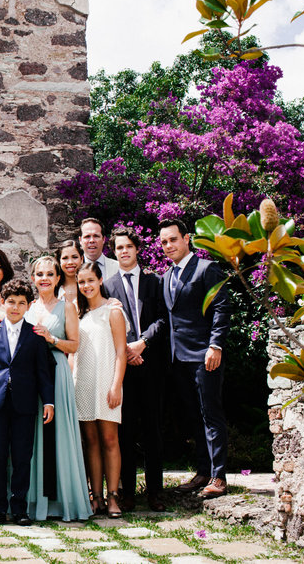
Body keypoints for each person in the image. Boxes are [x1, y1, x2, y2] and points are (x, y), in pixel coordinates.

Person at [159, 219, 231, 499]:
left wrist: (215, 345)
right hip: (178, 358)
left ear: (186, 239)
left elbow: (222, 308)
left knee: (211, 414)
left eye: (173, 240)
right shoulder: (166, 277)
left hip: (205, 355)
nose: (168, 246)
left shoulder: (206, 269)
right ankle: (203, 472)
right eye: (164, 242)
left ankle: (219, 476)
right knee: (192, 416)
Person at [0, 279, 55, 526]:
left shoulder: (35, 335)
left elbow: (43, 372)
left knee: (22, 456)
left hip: (25, 403)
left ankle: (19, 508)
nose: (15, 307)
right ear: (3, 303)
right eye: (11, 302)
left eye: (21, 303)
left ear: (29, 306)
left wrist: (48, 402)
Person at [104, 228, 168, 512]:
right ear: (114, 252)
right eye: (119, 248)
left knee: (153, 430)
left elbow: (163, 319)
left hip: (152, 365)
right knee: (125, 432)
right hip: (123, 369)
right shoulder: (107, 286)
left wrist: (142, 343)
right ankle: (127, 493)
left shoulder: (155, 282)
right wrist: (128, 350)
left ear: (137, 249)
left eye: (129, 246)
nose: (124, 252)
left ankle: (155, 492)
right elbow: (107, 325)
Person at [24, 255, 92, 521]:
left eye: (50, 274)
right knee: (34, 435)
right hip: (32, 375)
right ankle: (35, 500)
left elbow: (75, 344)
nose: (44, 279)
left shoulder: (67, 307)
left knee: (58, 433)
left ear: (57, 278)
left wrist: (52, 338)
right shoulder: (28, 307)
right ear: (33, 278)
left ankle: (63, 500)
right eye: (39, 274)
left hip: (56, 370)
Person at [74, 261, 128, 518]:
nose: (86, 286)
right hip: (83, 382)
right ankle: (95, 497)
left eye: (90, 281)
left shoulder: (113, 310)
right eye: (81, 282)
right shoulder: (77, 313)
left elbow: (120, 351)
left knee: (109, 440)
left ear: (99, 280)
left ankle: (113, 496)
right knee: (91, 441)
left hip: (107, 382)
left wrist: (116, 385)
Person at [55, 239, 84, 306]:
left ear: (81, 259)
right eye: (65, 258)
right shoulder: (53, 288)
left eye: (74, 257)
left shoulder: (88, 287)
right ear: (59, 261)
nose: (70, 262)